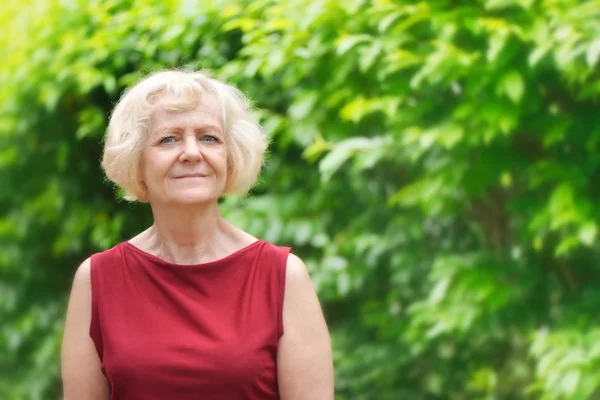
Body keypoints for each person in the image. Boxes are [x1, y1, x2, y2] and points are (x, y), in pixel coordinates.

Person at [61, 70, 334, 399]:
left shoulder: (284, 276)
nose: (192, 152)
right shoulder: (96, 280)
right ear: (137, 161)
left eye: (209, 138)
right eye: (168, 139)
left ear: (230, 157)